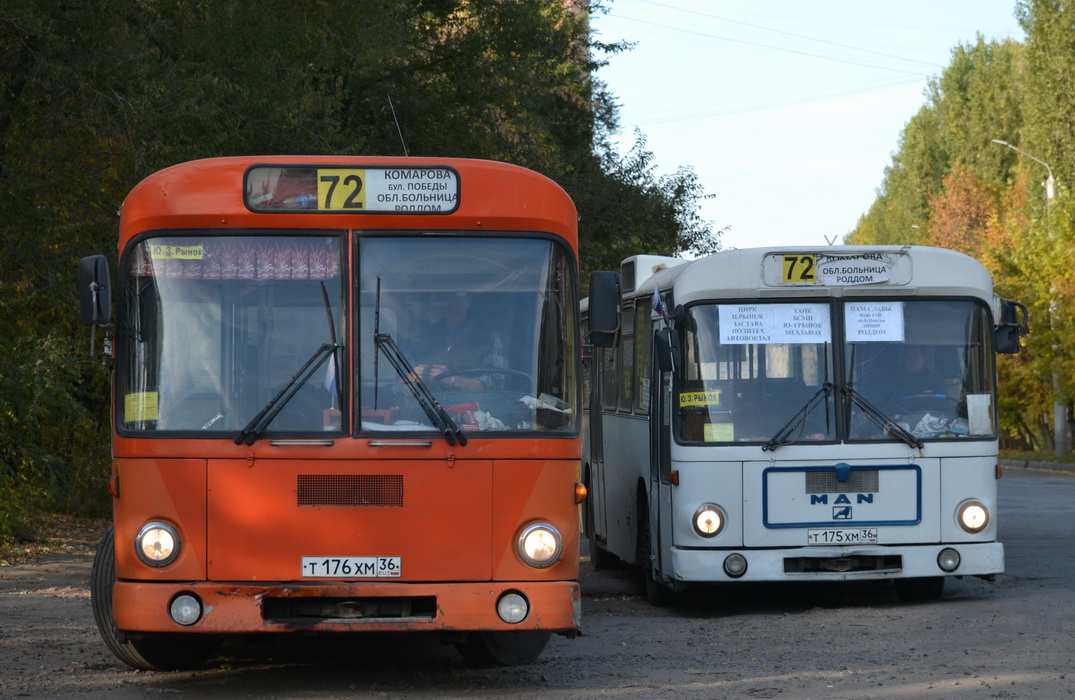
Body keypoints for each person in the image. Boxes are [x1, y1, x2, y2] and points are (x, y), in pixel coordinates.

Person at [409, 292, 505, 391]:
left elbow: (496, 384)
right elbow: (397, 384)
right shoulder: (422, 336)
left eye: (458, 300)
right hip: (426, 404)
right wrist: (408, 379)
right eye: (447, 300)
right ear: (440, 303)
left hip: (472, 405)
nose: (452, 306)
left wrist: (452, 380)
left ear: (469, 301)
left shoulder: (488, 336)